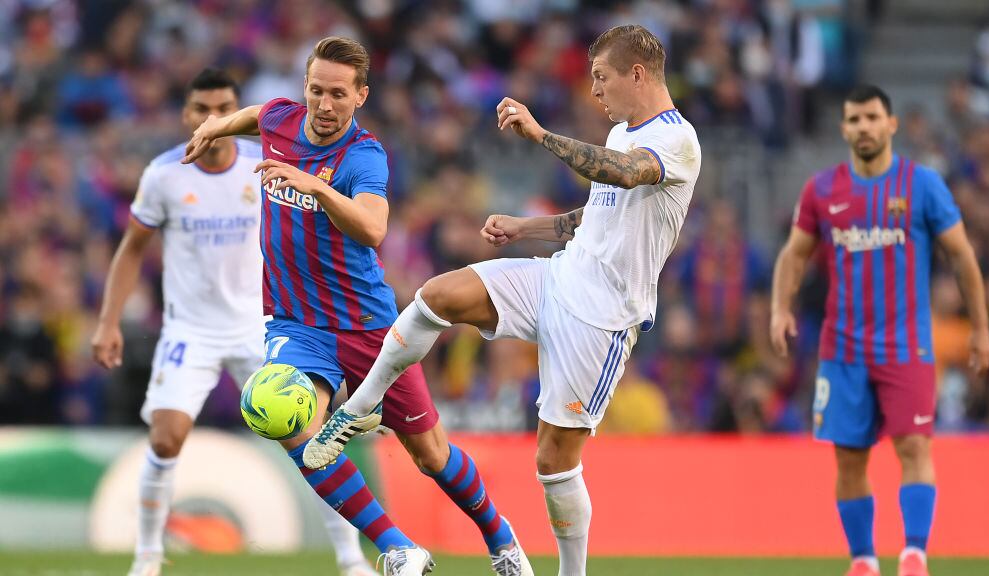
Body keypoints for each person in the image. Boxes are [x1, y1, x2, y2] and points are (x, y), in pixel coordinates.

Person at [306, 25, 701, 576]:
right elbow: (596, 216)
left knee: (554, 463)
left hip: (602, 318)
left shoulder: (677, 140)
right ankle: (360, 406)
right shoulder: (621, 134)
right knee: (437, 297)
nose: (594, 90)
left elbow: (626, 174)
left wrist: (540, 135)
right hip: (557, 278)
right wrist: (524, 228)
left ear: (637, 74)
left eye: (601, 78)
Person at [182, 37, 531, 576]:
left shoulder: (362, 155)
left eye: (339, 95)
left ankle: (499, 536)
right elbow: (257, 114)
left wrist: (316, 188)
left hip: (365, 325)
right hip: (297, 323)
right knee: (280, 413)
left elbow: (372, 227)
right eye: (317, 91)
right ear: (304, 87)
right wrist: (217, 126)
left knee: (431, 456)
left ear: (361, 96)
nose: (325, 105)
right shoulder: (280, 119)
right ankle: (397, 547)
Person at [91, 69, 379, 576]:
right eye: (202, 108)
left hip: (261, 324)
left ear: (236, 113)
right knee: (165, 439)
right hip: (191, 330)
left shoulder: (268, 161)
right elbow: (132, 248)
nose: (212, 117)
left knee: (308, 441)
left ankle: (351, 558)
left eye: (223, 108)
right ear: (188, 115)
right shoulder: (164, 175)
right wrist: (108, 321)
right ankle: (148, 557)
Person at [769, 85, 989, 576]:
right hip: (843, 350)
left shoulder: (922, 185)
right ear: (843, 129)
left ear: (890, 125)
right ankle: (864, 561)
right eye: (854, 120)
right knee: (849, 458)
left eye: (872, 118)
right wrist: (780, 310)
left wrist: (980, 327)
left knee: (914, 447)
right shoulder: (822, 190)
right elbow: (794, 254)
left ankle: (914, 555)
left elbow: (961, 256)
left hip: (906, 347)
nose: (864, 127)